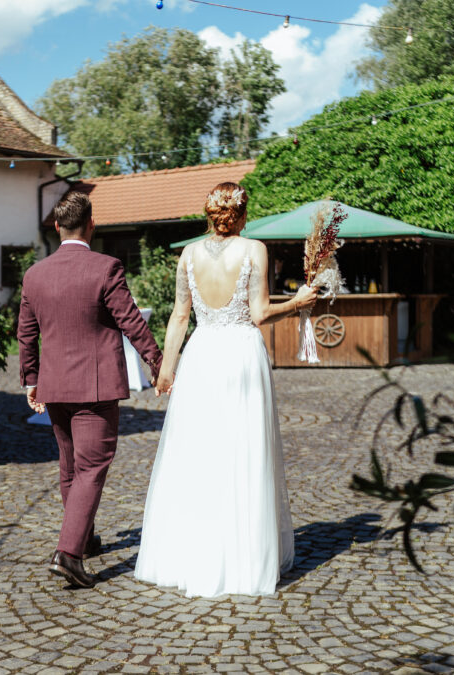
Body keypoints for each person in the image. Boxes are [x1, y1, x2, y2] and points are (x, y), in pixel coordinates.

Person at [133, 182, 317, 598]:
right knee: (242, 451)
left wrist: (166, 369)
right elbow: (260, 314)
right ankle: (241, 558)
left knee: (198, 452)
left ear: (210, 214)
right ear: (243, 215)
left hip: (200, 356)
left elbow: (180, 316)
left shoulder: (188, 254)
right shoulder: (255, 250)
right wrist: (299, 301)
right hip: (240, 356)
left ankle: (191, 553)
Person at [18, 190, 162, 589]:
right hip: (94, 388)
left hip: (54, 386)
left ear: (57, 227)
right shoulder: (106, 267)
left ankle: (83, 537)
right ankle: (69, 554)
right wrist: (157, 361)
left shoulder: (34, 274)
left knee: (70, 466)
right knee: (91, 466)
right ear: (92, 225)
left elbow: (26, 333)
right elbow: (131, 321)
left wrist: (31, 380)